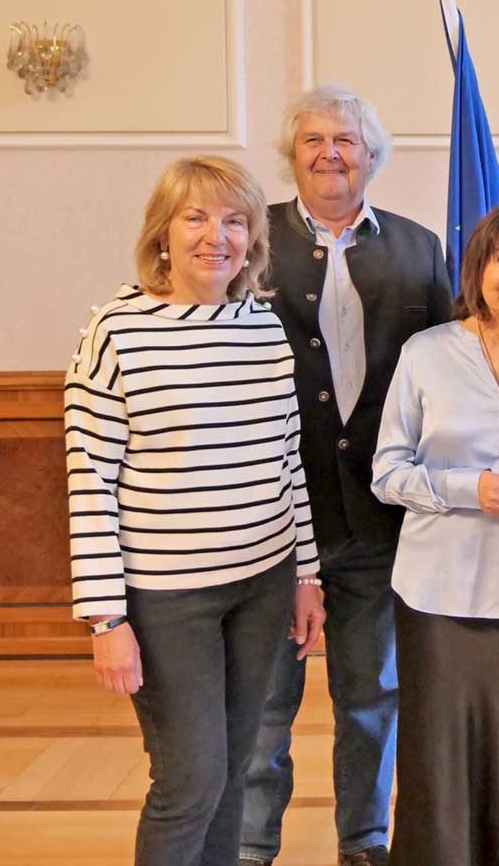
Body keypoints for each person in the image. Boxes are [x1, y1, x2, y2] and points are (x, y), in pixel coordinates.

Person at [65, 156, 326, 866]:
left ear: (253, 238)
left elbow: (288, 462)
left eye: (236, 220)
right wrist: (106, 619)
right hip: (166, 598)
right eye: (197, 217)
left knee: (235, 769)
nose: (218, 236)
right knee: (190, 778)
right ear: (163, 234)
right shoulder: (116, 332)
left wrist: (307, 576)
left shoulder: (265, 330)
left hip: (263, 583)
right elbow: (88, 481)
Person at [241, 85, 454, 866]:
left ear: (372, 156)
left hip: (378, 517)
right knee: (266, 705)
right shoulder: (250, 239)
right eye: (313, 141)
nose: (331, 153)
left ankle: (363, 842)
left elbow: (444, 367)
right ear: (291, 156)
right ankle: (250, 845)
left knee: (371, 697)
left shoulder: (418, 245)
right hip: (273, 516)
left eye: (347, 141)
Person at [370, 202, 499, 866]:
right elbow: (387, 472)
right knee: (441, 765)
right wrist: (469, 489)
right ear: (477, 268)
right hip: (438, 596)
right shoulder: (426, 353)